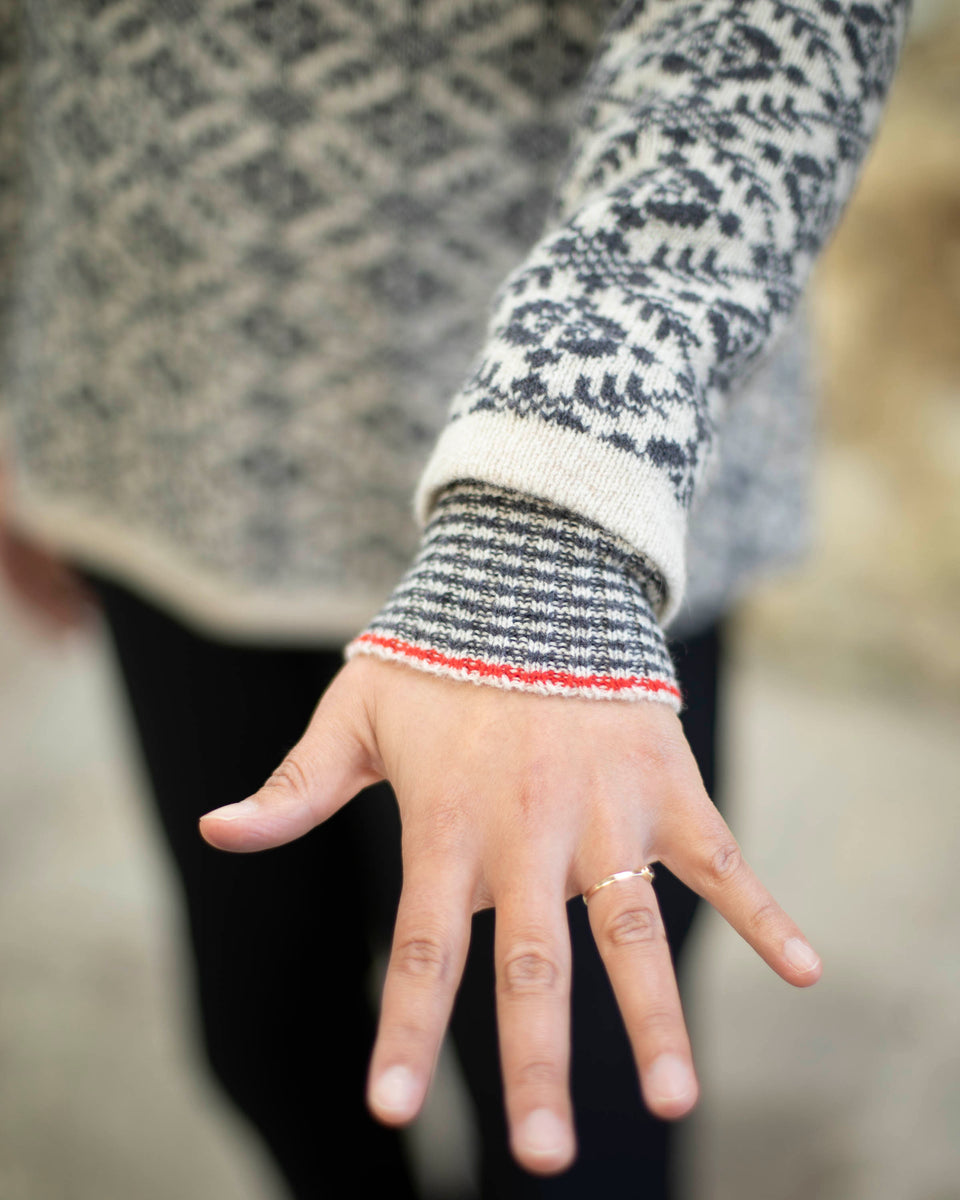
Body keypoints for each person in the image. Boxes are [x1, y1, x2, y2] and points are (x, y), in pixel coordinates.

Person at [0, 0, 911, 1196]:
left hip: (580, 531)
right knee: (265, 1039)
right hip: (167, 437)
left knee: (570, 1111)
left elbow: (762, 43)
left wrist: (549, 521)